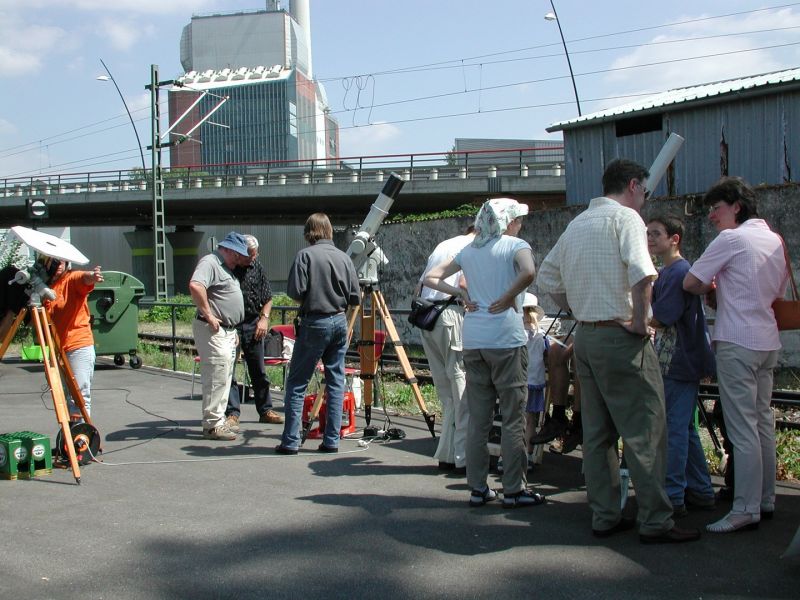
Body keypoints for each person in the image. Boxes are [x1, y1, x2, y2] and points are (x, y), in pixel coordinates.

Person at [537, 158, 700, 543]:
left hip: (586, 337)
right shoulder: (626, 219)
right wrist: (641, 323)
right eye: (644, 189)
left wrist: (579, 307)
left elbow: (547, 277)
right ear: (632, 186)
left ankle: (605, 515)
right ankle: (655, 520)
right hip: (621, 337)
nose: (644, 197)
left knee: (597, 433)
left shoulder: (577, 224)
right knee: (646, 429)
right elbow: (643, 274)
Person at [424, 197, 545, 509]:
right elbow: (529, 272)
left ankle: (478, 488)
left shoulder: (469, 251)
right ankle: (514, 489)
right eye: (518, 219)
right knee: (513, 418)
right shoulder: (515, 245)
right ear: (508, 221)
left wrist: (460, 293)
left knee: (479, 419)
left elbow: (430, 278)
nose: (520, 224)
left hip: (474, 340)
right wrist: (508, 297)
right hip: (506, 340)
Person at [683, 177, 787, 533]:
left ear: (736, 207)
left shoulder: (731, 239)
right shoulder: (774, 239)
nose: (712, 216)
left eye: (717, 208)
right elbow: (778, 290)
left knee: (742, 428)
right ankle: (765, 499)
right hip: (767, 339)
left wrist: (712, 287)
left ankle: (745, 507)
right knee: (762, 423)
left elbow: (691, 281)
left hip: (736, 340)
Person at [646, 215, 716, 517]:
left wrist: (630, 317)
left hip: (677, 360)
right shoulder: (669, 272)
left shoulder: (677, 272)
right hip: (678, 359)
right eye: (648, 233)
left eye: (656, 234)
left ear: (675, 239)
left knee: (673, 428)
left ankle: (673, 495)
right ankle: (699, 489)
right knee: (684, 427)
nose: (650, 239)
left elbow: (662, 317)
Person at [276, 213, 360, 454]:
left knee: (297, 382)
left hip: (314, 321)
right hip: (339, 321)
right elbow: (355, 297)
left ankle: (291, 441)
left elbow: (295, 292)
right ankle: (331, 440)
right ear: (329, 230)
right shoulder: (344, 258)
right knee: (335, 382)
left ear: (309, 232)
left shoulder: (305, 256)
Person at [415, 226, 474, 474]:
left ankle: (447, 453)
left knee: (447, 393)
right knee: (461, 389)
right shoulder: (472, 247)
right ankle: (463, 457)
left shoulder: (443, 245)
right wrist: (464, 295)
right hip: (450, 314)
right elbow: (464, 283)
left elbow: (419, 285)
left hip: (427, 317)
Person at [189, 232, 250, 441]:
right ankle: (212, 424)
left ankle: (217, 420)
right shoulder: (211, 262)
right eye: (238, 255)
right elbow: (196, 285)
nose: (239, 260)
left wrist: (232, 329)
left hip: (225, 330)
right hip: (214, 329)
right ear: (229, 250)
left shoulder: (224, 267)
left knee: (223, 376)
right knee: (217, 376)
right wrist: (209, 315)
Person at [223, 234, 284, 434]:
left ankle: (265, 410)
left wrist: (264, 318)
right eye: (250, 255)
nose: (253, 258)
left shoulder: (257, 266)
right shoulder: (227, 267)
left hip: (252, 323)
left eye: (255, 255)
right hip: (231, 324)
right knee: (229, 370)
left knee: (258, 370)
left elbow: (268, 297)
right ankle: (232, 413)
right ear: (239, 253)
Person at [46, 259, 103, 420]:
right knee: (63, 397)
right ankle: (69, 431)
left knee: (78, 396)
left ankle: (81, 432)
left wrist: (92, 276)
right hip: (58, 347)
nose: (59, 265)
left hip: (78, 344)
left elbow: (83, 278)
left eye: (62, 262)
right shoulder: (47, 286)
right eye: (54, 261)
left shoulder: (71, 278)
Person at [522, 293, 548, 462]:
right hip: (536, 382)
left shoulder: (516, 332)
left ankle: (506, 457)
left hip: (519, 380)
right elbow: (547, 357)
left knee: (514, 420)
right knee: (531, 420)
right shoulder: (542, 335)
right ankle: (529, 455)